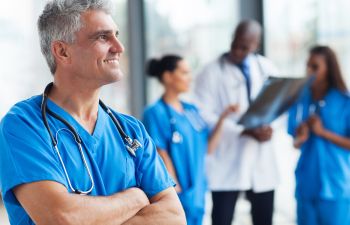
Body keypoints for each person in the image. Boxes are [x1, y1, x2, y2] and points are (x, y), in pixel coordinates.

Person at [0, 1, 186, 225]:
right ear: (62, 51)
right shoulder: (23, 125)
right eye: (102, 37)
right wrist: (135, 198)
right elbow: (62, 218)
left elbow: (174, 217)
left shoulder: (131, 130)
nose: (119, 46)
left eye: (116, 34)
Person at [194, 20, 279, 225]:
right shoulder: (211, 71)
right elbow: (202, 114)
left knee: (264, 219)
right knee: (222, 219)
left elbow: (279, 106)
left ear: (256, 45)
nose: (237, 51)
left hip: (261, 159)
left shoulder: (267, 68)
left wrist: (269, 128)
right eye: (235, 43)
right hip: (227, 158)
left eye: (245, 47)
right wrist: (242, 131)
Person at [142, 55, 237, 225]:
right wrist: (174, 188)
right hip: (177, 193)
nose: (190, 78)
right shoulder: (155, 112)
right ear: (168, 77)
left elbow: (208, 148)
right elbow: (159, 151)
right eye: (184, 73)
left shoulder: (191, 110)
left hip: (197, 191)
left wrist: (222, 118)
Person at [288, 46, 350, 225]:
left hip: (336, 185)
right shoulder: (300, 100)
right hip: (307, 182)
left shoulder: (345, 101)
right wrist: (302, 135)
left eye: (315, 67)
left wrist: (323, 133)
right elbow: (295, 143)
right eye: (307, 66)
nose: (309, 71)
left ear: (329, 69)